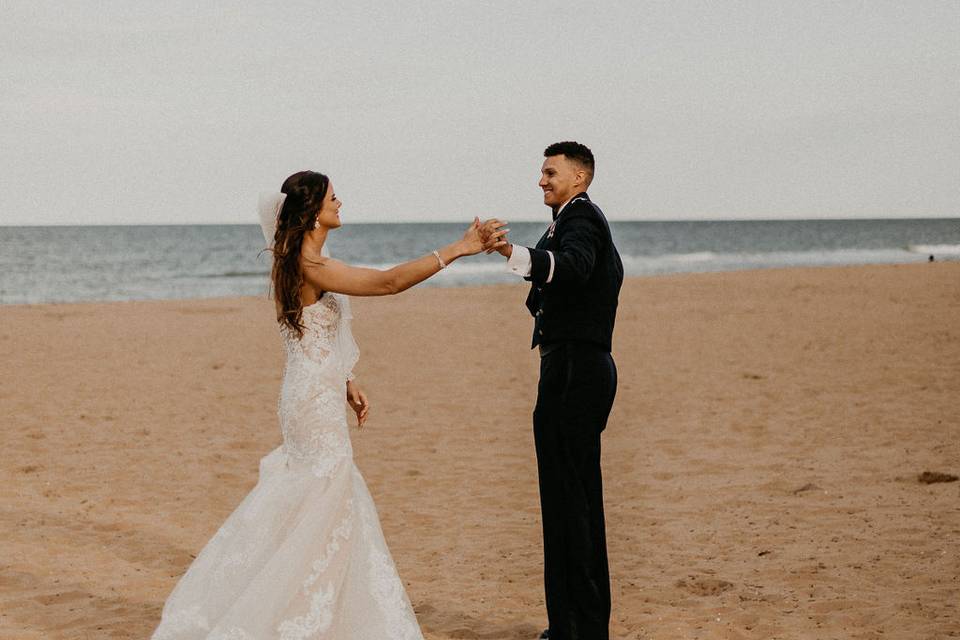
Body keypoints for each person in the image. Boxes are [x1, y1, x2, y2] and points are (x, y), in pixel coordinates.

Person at [151, 170, 506, 639]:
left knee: (317, 500)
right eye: (332, 197)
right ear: (312, 211)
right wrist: (459, 248)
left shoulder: (298, 262)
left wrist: (345, 377)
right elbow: (387, 283)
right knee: (324, 498)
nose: (340, 203)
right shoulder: (309, 266)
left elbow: (309, 335)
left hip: (310, 390)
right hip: (310, 404)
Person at [482, 142, 623, 640]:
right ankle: (568, 625)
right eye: (540, 172)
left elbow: (576, 267)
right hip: (568, 365)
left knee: (573, 502)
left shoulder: (581, 219)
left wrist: (508, 252)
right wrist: (526, 259)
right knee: (565, 500)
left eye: (550, 172)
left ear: (579, 178)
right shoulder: (565, 222)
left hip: (576, 369)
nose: (540, 180)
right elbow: (552, 287)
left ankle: (579, 630)